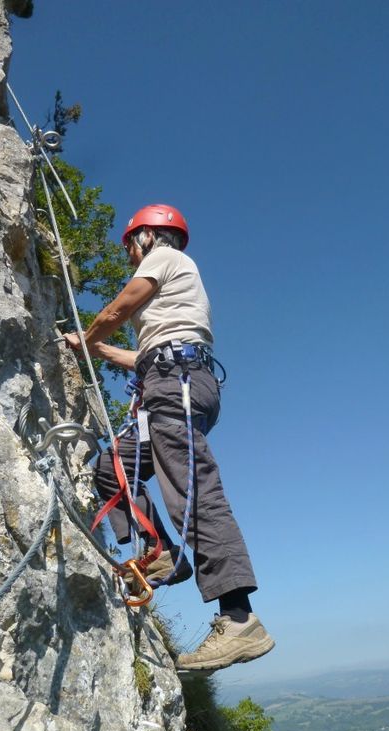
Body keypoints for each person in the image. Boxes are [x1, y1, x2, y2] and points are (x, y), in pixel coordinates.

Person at [64, 204, 274, 672]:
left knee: (191, 491)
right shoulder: (172, 305)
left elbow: (123, 305)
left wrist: (88, 334)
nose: (130, 256)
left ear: (147, 236)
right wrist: (96, 348)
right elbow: (138, 356)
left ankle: (238, 617)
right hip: (167, 377)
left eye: (130, 246)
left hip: (175, 379)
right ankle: (161, 552)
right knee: (112, 467)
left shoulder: (165, 257)